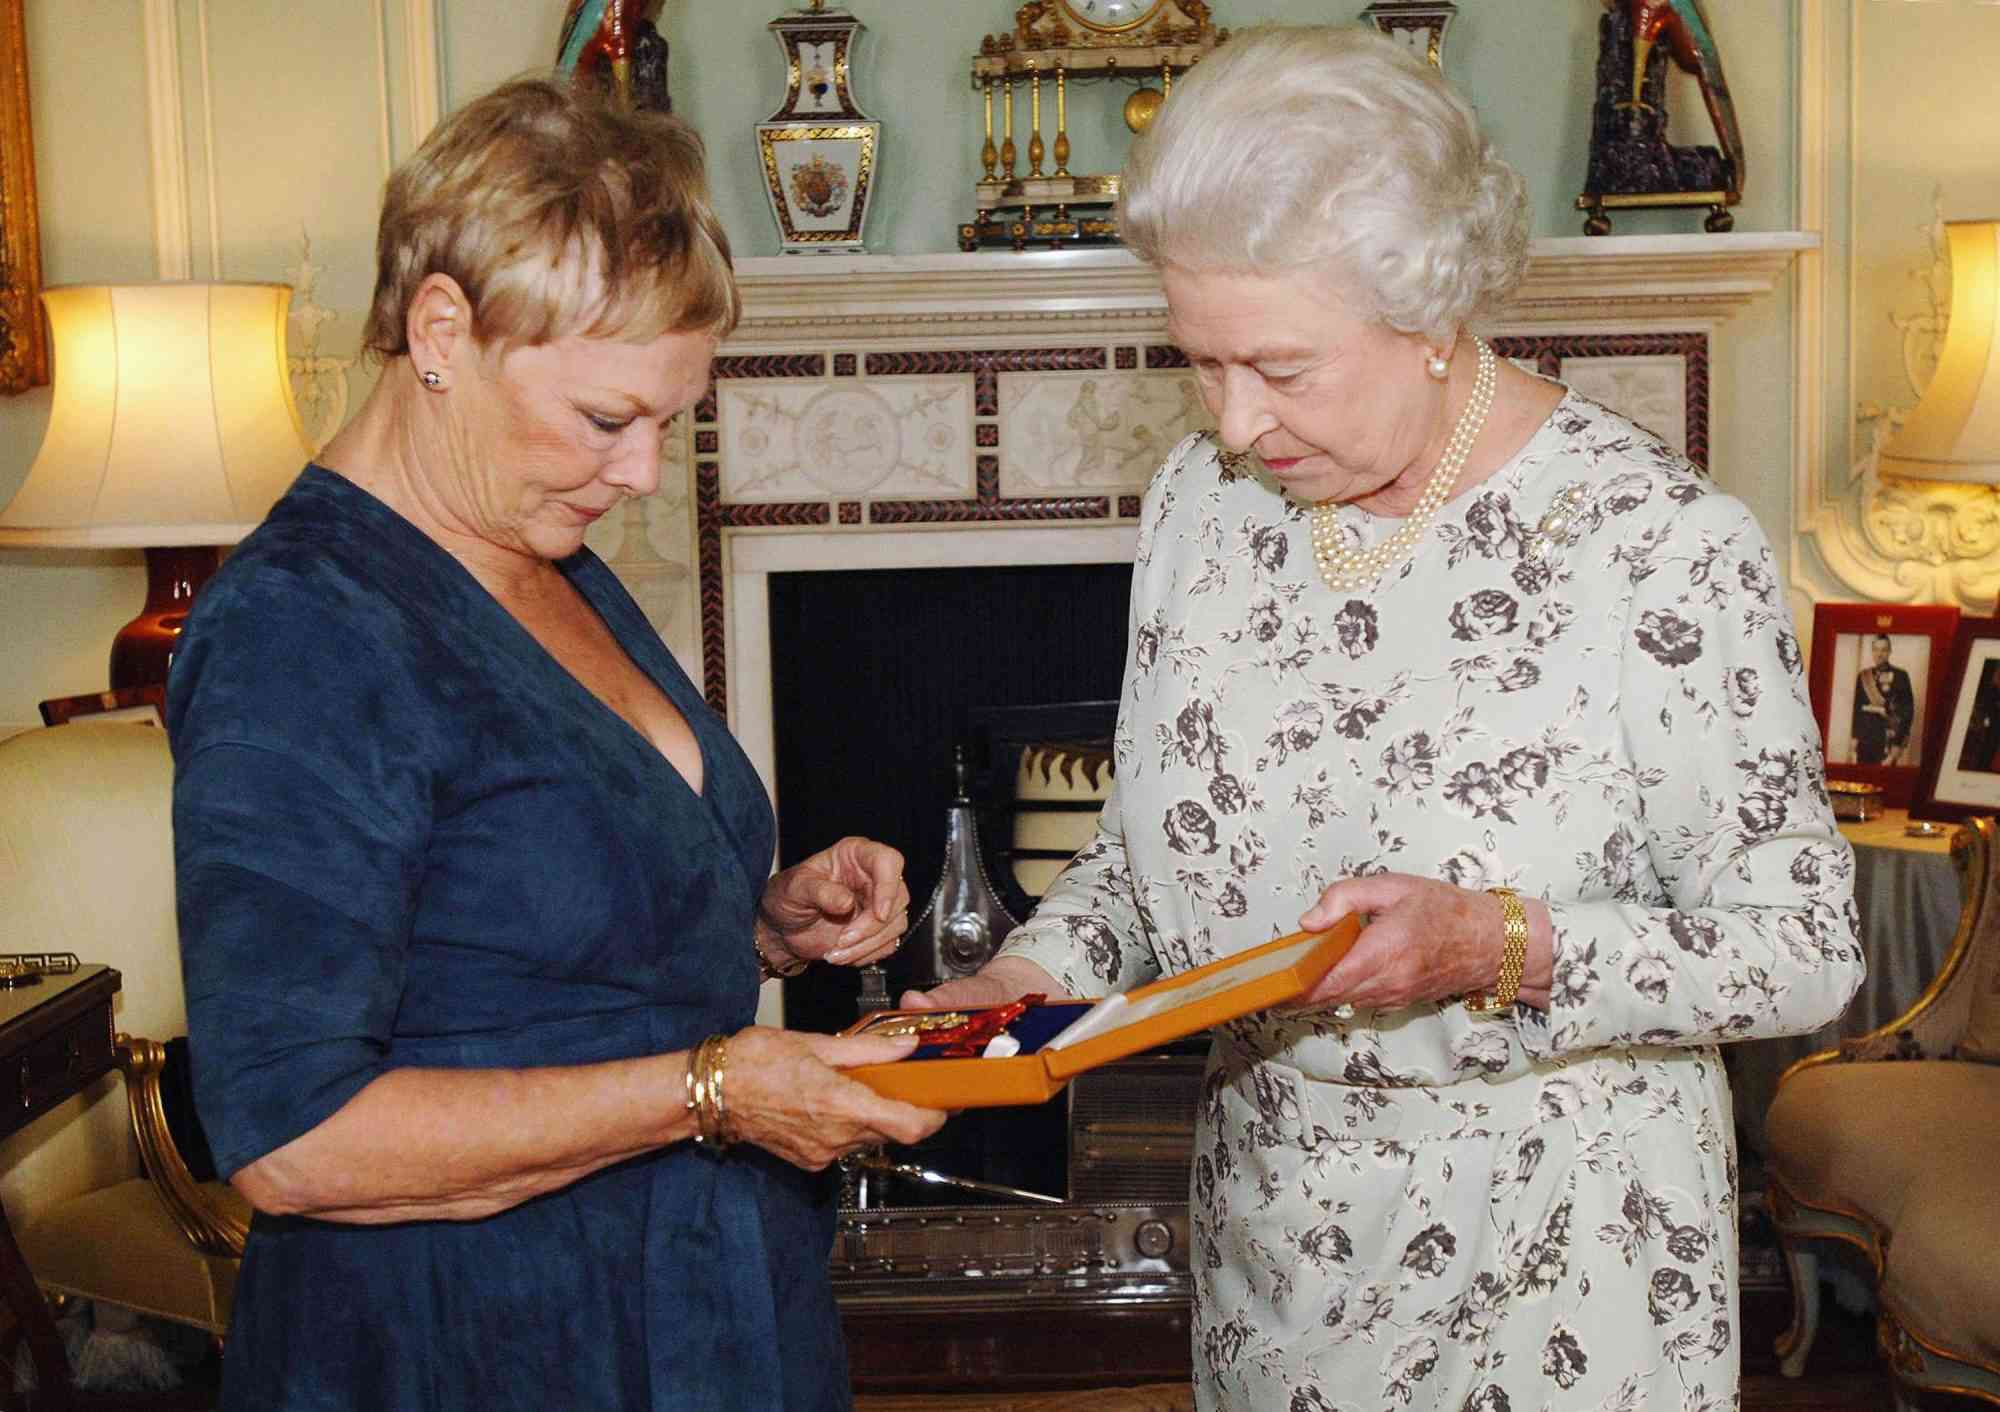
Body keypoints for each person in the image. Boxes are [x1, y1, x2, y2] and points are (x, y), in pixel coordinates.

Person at [905, 26, 1864, 1412]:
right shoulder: (1203, 505)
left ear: (1429, 313)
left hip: (1561, 1274)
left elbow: (1805, 950)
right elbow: (1140, 849)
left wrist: (1495, 942)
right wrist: (1022, 985)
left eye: (1282, 369)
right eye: (1202, 363)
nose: (1234, 423)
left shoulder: (1655, 547)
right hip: (1269, 1253)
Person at [168, 77, 945, 1412]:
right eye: (606, 418)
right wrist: (713, 1090)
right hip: (471, 1343)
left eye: (670, 419)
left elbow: (510, 944)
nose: (644, 470)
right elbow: (294, 1138)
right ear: (438, 329)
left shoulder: (534, 542)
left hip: (686, 1304)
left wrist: (759, 929)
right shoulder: (301, 632)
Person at [1850, 633, 1915, 765]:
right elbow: (1857, 709)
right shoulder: (1863, 676)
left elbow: (1907, 712)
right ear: (1872, 651)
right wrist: (1855, 738)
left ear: (1890, 651)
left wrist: (1897, 744)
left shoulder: (1900, 676)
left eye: (1884, 650)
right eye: (1876, 650)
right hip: (1865, 740)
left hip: (1887, 740)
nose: (1879, 654)